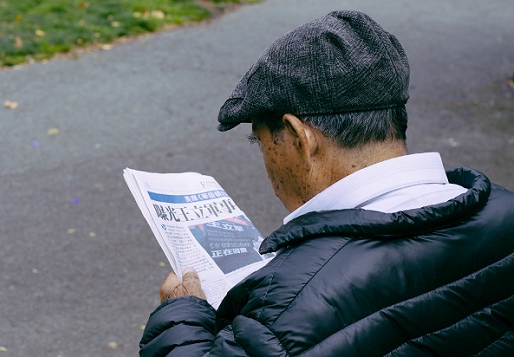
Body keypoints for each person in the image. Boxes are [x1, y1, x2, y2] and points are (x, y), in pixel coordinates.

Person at [139, 10, 514, 356]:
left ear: (300, 137)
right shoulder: (505, 212)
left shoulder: (287, 308)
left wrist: (181, 316)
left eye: (260, 141)